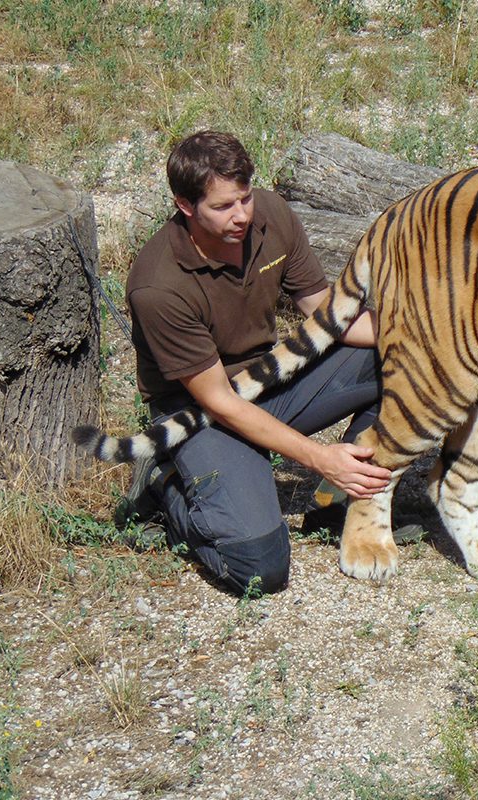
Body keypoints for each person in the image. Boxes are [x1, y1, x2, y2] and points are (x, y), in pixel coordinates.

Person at [117, 129, 391, 596]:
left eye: (244, 198)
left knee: (408, 359)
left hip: (270, 380)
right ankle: (166, 485)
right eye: (223, 207)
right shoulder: (158, 285)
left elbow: (326, 314)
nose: (242, 215)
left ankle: (340, 500)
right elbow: (220, 402)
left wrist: (426, 334)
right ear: (185, 206)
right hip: (201, 414)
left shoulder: (271, 215)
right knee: (259, 568)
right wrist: (320, 458)